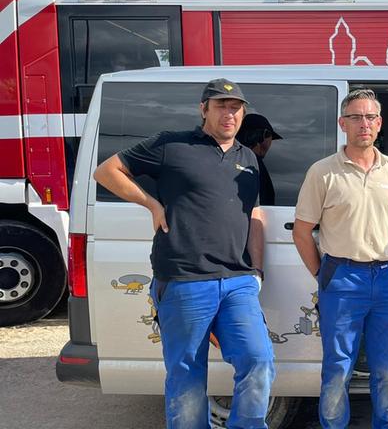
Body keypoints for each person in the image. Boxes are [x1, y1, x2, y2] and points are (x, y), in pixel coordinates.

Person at [93, 78, 274, 429]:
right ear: (203, 109)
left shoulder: (248, 158)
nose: (229, 113)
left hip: (238, 281)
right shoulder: (171, 144)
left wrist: (257, 271)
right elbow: (107, 171)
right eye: (220, 105)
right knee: (187, 376)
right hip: (184, 280)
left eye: (235, 107)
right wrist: (151, 203)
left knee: (258, 359)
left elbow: (253, 214)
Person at [292, 88, 388, 429]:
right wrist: (324, 275)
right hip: (341, 277)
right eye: (356, 117)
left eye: (370, 117)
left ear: (380, 124)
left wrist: (382, 254)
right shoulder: (323, 172)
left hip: (387, 278)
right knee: (337, 368)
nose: (364, 124)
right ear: (342, 123)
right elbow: (302, 231)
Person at [236, 113, 283, 205]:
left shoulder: (227, 159)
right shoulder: (253, 164)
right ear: (264, 136)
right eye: (270, 137)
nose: (270, 144)